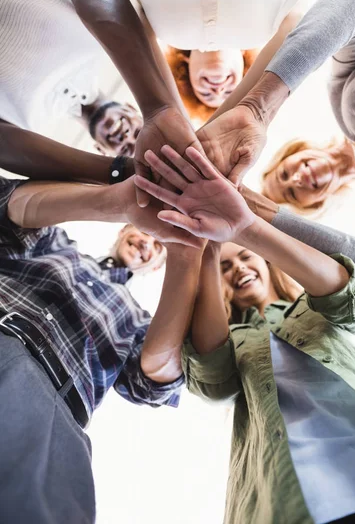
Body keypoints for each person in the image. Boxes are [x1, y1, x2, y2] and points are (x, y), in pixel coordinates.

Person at [133, 145, 355, 524]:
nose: (238, 268)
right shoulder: (231, 339)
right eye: (227, 269)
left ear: (266, 264)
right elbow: (214, 379)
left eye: (244, 257)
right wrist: (207, 250)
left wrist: (245, 230)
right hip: (292, 495)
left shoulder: (312, 305)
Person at [0, 169, 204, 523]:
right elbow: (10, 210)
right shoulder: (58, 245)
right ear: (124, 229)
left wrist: (185, 254)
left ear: (156, 266)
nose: (147, 245)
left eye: (158, 249)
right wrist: (119, 203)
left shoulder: (143, 322)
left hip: (54, 404)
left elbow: (154, 382)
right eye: (147, 234)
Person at [195, 0, 355, 279]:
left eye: (286, 173)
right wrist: (249, 210)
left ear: (294, 152)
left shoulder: (344, 97)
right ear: (314, 206)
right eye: (292, 193)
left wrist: (258, 107)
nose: (299, 177)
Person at [93, 0, 342, 117]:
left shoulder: (163, 30)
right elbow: (303, 11)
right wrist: (237, 110)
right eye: (229, 93)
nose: (218, 89)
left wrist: (168, 109)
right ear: (246, 71)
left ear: (185, 73)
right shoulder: (266, 29)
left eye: (205, 94)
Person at [0, 0, 142, 156]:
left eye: (125, 149)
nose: (126, 137)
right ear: (132, 108)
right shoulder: (103, 43)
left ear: (101, 151)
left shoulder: (29, 129)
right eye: (138, 133)